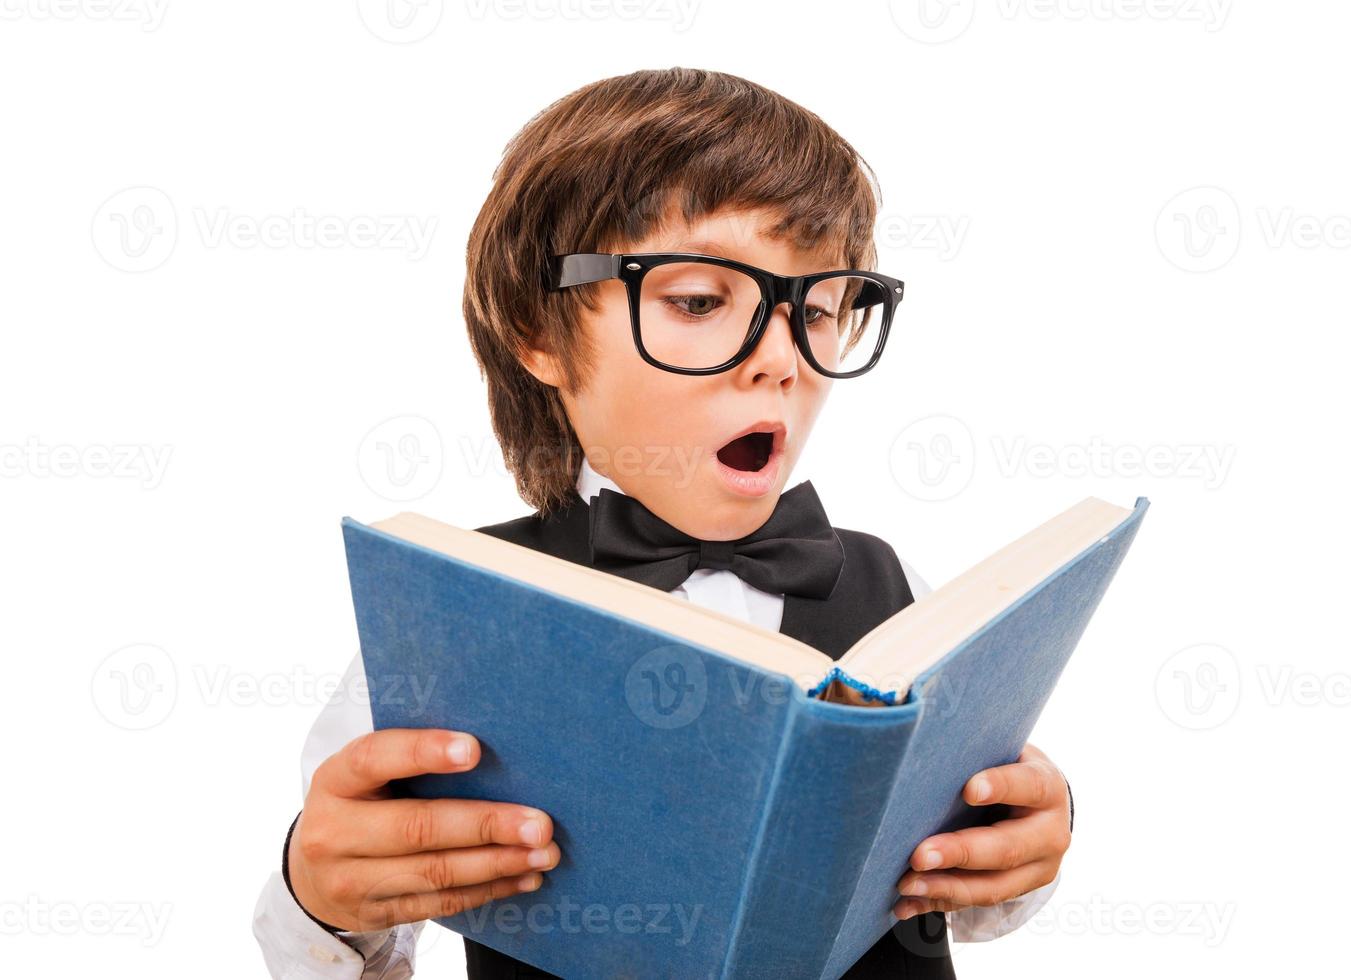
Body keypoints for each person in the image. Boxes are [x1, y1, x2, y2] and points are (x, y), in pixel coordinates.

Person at [253, 66, 1074, 979]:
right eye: (697, 301)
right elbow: (349, 934)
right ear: (538, 327)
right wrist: (317, 895)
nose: (777, 360)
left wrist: (1023, 839)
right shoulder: (443, 614)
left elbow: (972, 886)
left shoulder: (899, 594)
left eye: (817, 311)